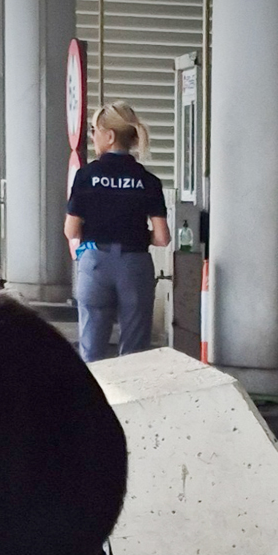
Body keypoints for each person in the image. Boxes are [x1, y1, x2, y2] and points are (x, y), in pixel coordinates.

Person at [64, 103, 170, 364]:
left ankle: (95, 389)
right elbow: (162, 238)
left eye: (94, 131)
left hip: (95, 262)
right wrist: (135, 235)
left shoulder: (86, 176)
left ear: (109, 136)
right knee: (134, 352)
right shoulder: (148, 181)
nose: (92, 136)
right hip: (135, 264)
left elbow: (71, 230)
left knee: (91, 350)